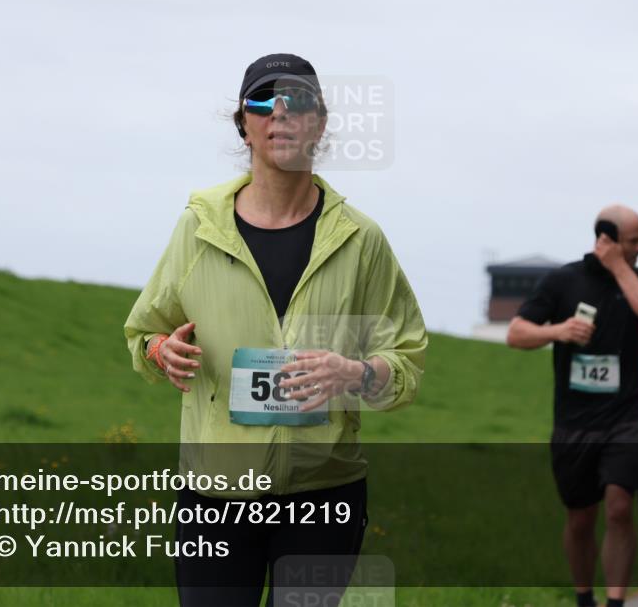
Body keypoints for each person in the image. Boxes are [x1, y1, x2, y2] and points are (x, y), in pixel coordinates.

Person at [123, 53, 427, 607]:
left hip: (324, 494)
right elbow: (145, 332)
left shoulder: (362, 240)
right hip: (215, 495)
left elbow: (404, 358)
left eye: (299, 101)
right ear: (244, 123)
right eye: (264, 100)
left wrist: (356, 372)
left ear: (321, 122)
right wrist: (161, 351)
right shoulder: (198, 228)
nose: (281, 113)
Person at [507, 206, 638, 607]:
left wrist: (621, 269)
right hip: (574, 422)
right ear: (606, 240)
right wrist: (559, 330)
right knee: (580, 517)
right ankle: (583, 597)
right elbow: (516, 333)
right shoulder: (563, 281)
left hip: (627, 418)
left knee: (620, 506)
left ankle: (614, 602)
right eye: (634, 241)